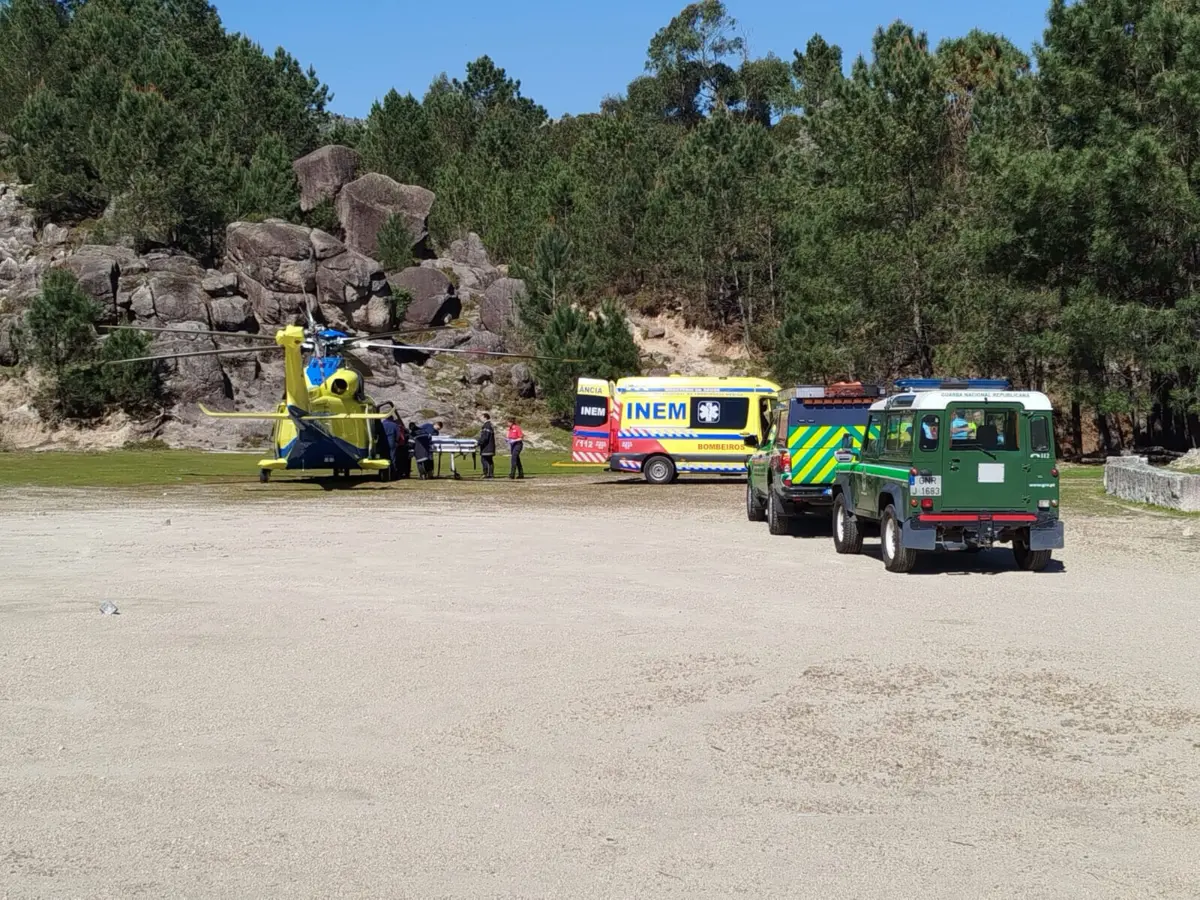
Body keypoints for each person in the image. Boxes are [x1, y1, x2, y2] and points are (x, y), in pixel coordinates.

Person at [478, 413, 496, 479]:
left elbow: (485, 437)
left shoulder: (487, 426)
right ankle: (490, 473)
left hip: (487, 447)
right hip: (489, 446)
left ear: (485, 417)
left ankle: (487, 474)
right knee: (489, 460)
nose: (480, 418)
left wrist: (478, 443)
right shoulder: (488, 425)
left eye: (481, 417)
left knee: (485, 460)